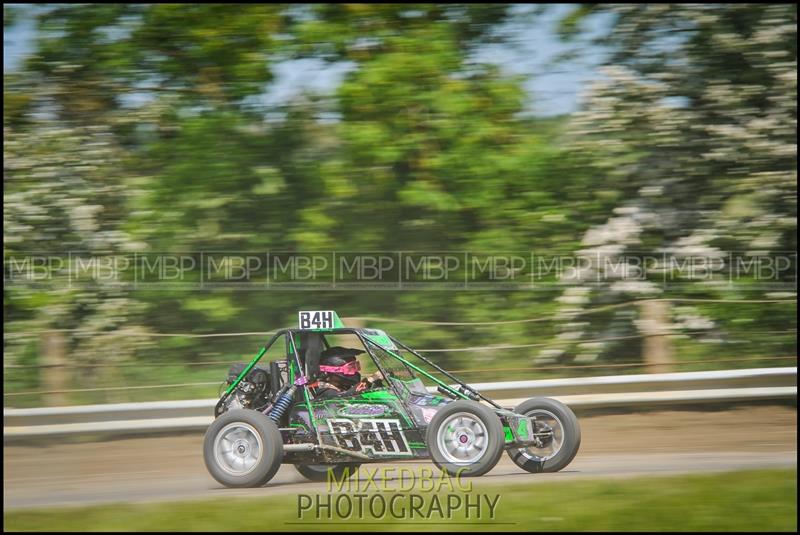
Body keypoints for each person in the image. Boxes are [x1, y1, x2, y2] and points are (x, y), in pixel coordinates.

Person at [311, 346, 384, 400]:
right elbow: (344, 397)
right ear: (330, 372)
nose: (355, 371)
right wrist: (368, 381)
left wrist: (377, 382)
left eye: (356, 366)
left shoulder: (344, 387)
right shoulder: (325, 391)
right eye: (350, 368)